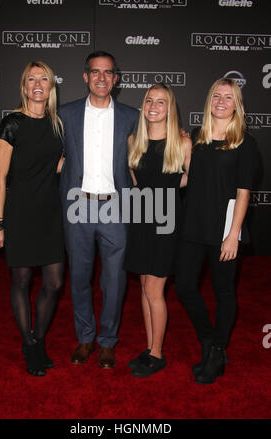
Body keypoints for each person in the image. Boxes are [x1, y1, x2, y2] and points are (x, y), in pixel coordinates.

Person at [175, 78, 259, 384]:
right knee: (184, 286)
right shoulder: (196, 137)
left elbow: (243, 192)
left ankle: (218, 349)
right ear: (209, 100)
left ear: (236, 104)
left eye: (228, 97)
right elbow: (186, 178)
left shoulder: (245, 143)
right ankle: (209, 341)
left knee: (224, 291)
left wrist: (233, 234)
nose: (221, 101)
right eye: (216, 96)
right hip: (193, 225)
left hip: (224, 228)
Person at [59, 51, 139, 369]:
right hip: (77, 205)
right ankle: (85, 337)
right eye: (95, 72)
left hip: (115, 207)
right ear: (85, 76)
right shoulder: (66, 114)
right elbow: (47, 151)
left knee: (114, 280)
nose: (101, 78)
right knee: (79, 276)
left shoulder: (133, 116)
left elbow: (151, 152)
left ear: (116, 79)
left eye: (108, 73)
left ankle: (107, 341)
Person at [0, 61, 65, 377]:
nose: (38, 84)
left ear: (51, 87)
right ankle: (30, 343)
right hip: (19, 211)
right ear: (24, 86)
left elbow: (57, 166)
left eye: (43, 79)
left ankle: (38, 337)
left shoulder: (57, 124)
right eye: (32, 79)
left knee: (54, 282)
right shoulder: (12, 124)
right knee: (21, 281)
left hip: (50, 213)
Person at [123, 83, 192, 377]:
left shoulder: (182, 142)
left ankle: (157, 353)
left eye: (161, 102)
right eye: (149, 100)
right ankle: (150, 345)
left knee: (155, 289)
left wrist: (167, 193)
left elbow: (191, 178)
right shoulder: (133, 141)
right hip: (140, 218)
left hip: (166, 222)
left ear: (170, 107)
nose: (153, 106)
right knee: (143, 286)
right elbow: (135, 180)